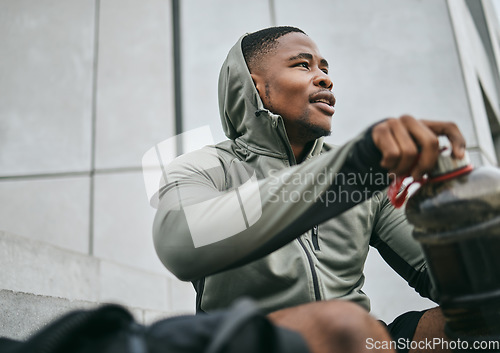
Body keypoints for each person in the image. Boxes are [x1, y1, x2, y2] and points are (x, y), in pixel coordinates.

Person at [153, 26, 466, 353]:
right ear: (253, 85)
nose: (324, 79)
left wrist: (472, 218)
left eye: (325, 69)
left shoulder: (366, 176)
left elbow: (455, 279)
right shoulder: (206, 167)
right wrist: (350, 169)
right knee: (342, 325)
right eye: (303, 65)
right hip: (258, 343)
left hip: (361, 342)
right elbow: (179, 243)